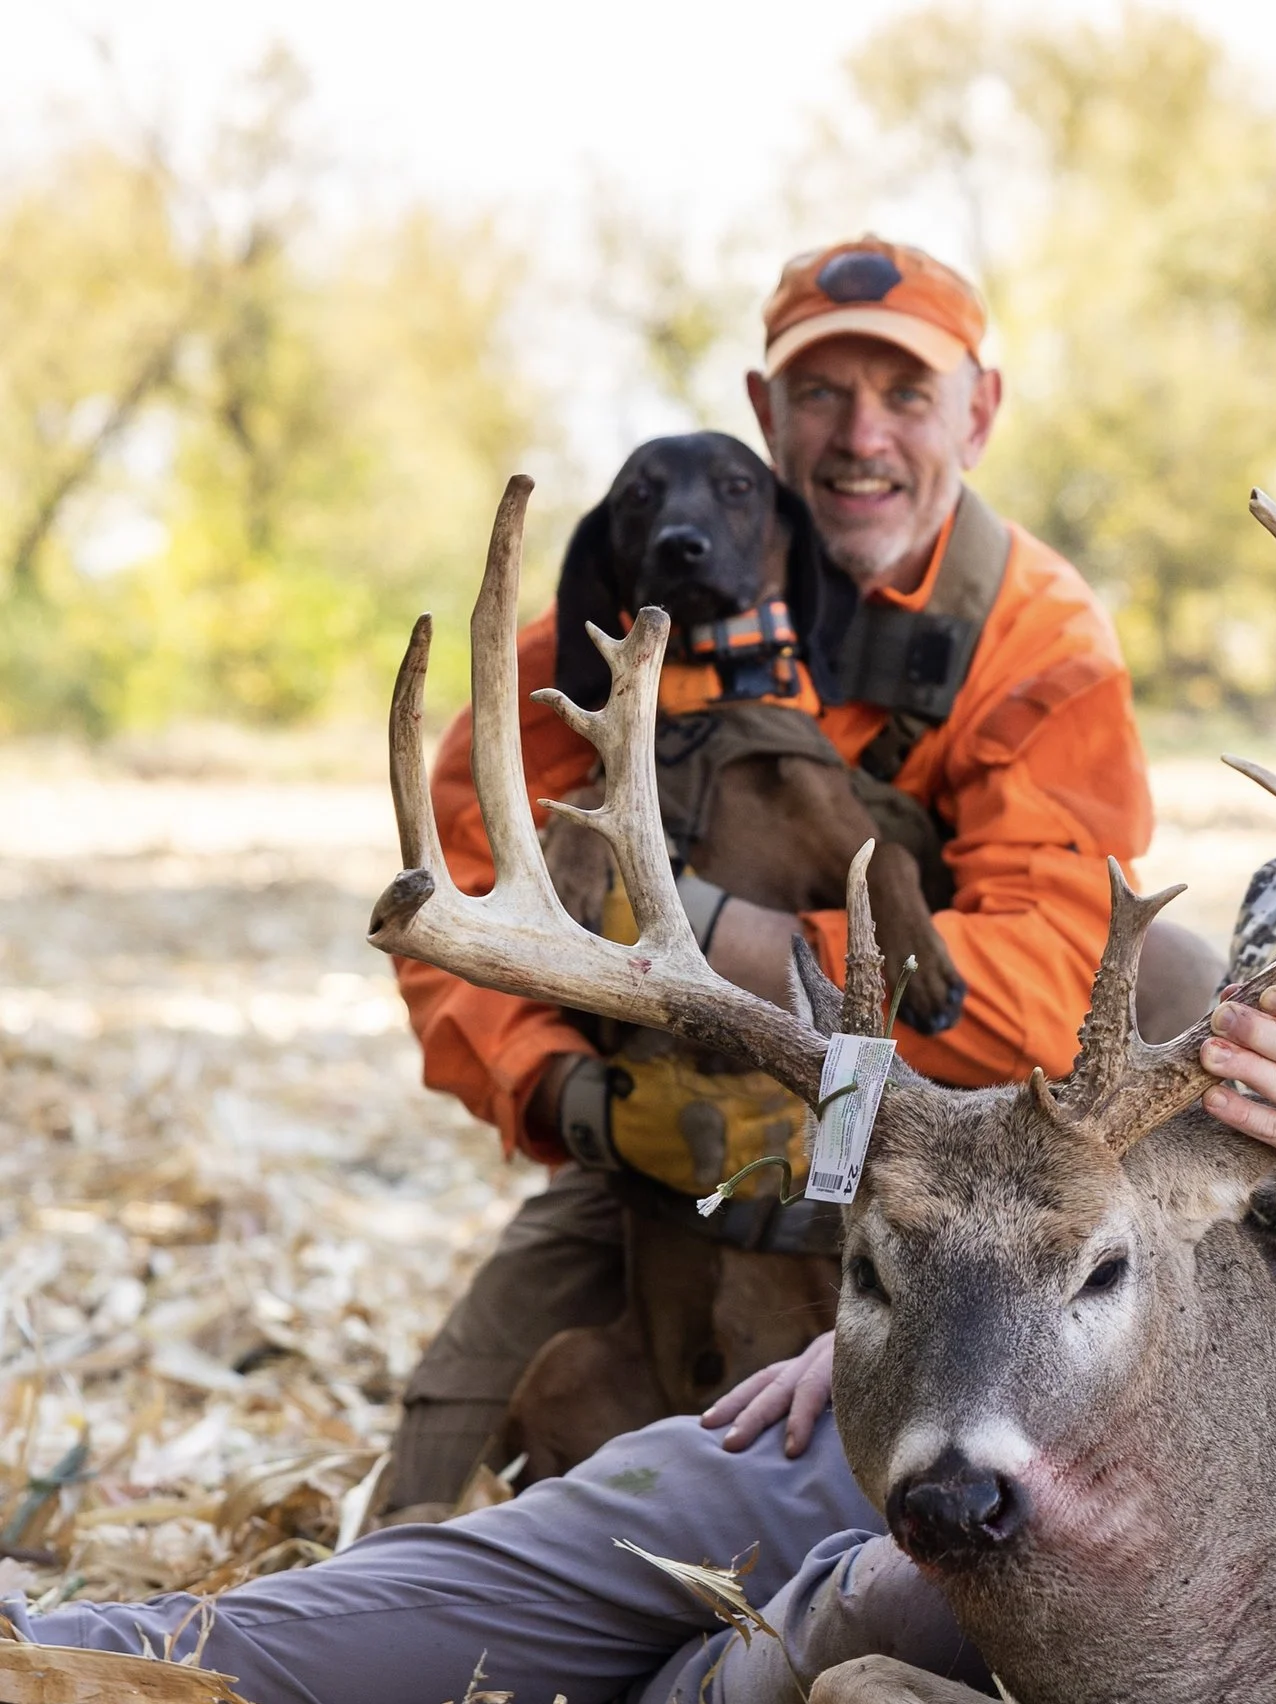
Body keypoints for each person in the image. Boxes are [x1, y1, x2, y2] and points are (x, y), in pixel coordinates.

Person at [14, 302, 1276, 1704]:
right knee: (662, 1496)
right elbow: (1136, 1180)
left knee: (804, 1636)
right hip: (1145, 1408)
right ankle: (100, 1663)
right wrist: (924, 1298)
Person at [384, 237, 1196, 1513]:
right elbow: (468, 919)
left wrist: (707, 941)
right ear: (764, 415)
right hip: (660, 1146)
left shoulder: (1035, 635)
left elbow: (1047, 977)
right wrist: (576, 1098)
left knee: (1182, 973)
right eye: (821, 394)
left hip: (932, 1146)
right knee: (423, 1505)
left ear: (977, 413)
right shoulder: (606, 632)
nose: (859, 435)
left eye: (906, 395)